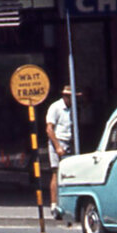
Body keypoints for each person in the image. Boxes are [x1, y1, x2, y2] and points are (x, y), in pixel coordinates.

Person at [45, 84, 75, 221]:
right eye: (69, 96)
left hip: (69, 141)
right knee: (56, 172)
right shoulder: (55, 107)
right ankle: (53, 204)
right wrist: (57, 146)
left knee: (70, 173)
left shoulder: (73, 109)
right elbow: (49, 129)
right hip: (58, 141)